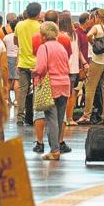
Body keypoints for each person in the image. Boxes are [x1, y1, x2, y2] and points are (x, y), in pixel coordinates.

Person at [32, 22, 71, 160]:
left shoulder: (44, 47)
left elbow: (41, 68)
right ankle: (57, 147)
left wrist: (34, 71)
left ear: (43, 35)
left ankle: (54, 151)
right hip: (64, 84)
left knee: (51, 119)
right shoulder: (61, 47)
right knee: (59, 119)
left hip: (51, 86)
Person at [77, 8, 104, 125]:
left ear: (97, 16)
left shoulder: (96, 27)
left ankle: (86, 115)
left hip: (98, 61)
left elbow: (88, 36)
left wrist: (93, 43)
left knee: (90, 88)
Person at [14, 2, 42, 125]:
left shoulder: (19, 25)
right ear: (38, 13)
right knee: (37, 90)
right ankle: (35, 116)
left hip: (23, 62)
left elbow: (16, 41)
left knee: (22, 91)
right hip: (37, 64)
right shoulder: (41, 27)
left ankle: (20, 117)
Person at [60, 12, 87, 128]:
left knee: (61, 94)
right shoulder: (74, 35)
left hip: (61, 68)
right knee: (71, 94)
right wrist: (84, 63)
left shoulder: (59, 36)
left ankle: (62, 118)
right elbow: (78, 51)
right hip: (73, 68)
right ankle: (70, 118)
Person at [3, 19, 19, 105]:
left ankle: (7, 99)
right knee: (17, 79)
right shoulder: (19, 36)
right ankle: (16, 100)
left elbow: (4, 48)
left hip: (8, 57)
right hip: (17, 58)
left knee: (8, 79)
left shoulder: (6, 37)